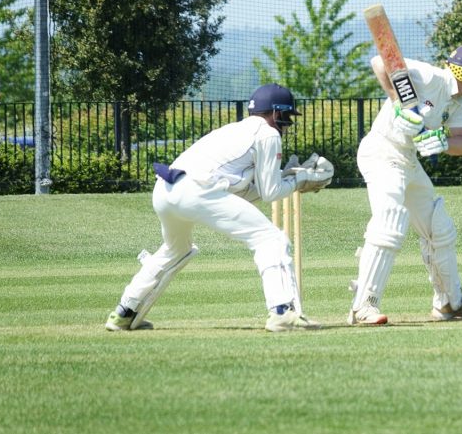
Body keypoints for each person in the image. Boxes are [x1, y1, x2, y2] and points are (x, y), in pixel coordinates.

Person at [104, 84, 335, 333]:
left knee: (175, 249)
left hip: (165, 190)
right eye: (287, 116)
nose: (287, 123)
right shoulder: (268, 134)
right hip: (197, 190)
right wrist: (300, 180)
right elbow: (270, 193)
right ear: (276, 113)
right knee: (270, 239)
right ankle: (281, 312)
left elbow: (243, 192)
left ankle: (124, 312)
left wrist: (288, 175)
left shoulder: (235, 130)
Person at [348, 43, 462, 325]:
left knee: (438, 228)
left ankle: (450, 303)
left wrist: (442, 141)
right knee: (390, 222)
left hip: (407, 160)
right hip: (382, 152)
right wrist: (397, 102)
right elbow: (380, 61)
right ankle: (363, 306)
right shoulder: (431, 77)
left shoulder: (455, 102)